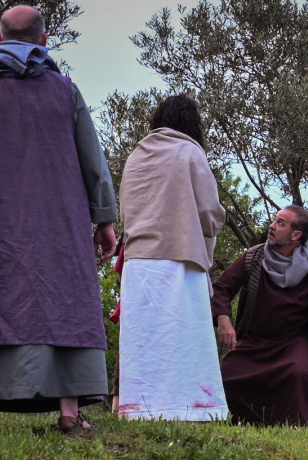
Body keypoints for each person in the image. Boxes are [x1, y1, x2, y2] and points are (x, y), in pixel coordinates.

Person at [0, 5, 117, 436]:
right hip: (59, 225)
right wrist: (105, 219)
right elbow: (94, 162)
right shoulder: (65, 90)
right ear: (44, 40)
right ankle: (69, 414)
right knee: (63, 303)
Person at [117, 94, 228, 421]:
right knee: (185, 335)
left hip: (138, 261)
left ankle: (139, 409)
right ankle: (194, 409)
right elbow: (209, 209)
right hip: (180, 255)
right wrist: (206, 236)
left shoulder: (135, 156)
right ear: (192, 124)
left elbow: (125, 208)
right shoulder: (190, 152)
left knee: (146, 338)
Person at [211, 205, 308, 431]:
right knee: (225, 375)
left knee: (300, 374)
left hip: (295, 343)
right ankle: (227, 424)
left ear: (296, 235)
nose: (272, 226)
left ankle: (303, 433)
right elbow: (221, 288)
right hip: (255, 342)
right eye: (275, 220)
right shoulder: (254, 257)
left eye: (280, 223)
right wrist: (223, 319)